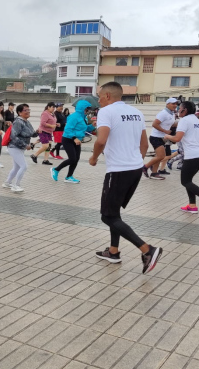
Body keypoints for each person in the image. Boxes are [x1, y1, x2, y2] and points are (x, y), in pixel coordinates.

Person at [88, 82, 162, 273]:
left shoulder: (105, 112)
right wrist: (136, 161)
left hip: (118, 170)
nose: (98, 99)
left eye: (99, 96)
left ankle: (147, 250)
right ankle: (113, 252)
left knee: (106, 216)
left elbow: (101, 140)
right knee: (114, 213)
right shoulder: (136, 112)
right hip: (135, 168)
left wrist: (94, 158)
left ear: (107, 96)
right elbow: (144, 143)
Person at [164, 101, 199, 215]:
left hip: (192, 155)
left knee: (185, 181)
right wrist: (197, 144)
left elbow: (177, 138)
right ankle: (192, 206)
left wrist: (167, 136)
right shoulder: (197, 121)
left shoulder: (184, 120)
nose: (178, 110)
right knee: (188, 180)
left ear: (185, 110)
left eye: (180, 109)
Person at [52, 100, 89, 184]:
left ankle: (69, 177)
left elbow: (83, 129)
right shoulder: (74, 116)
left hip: (77, 140)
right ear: (82, 108)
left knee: (76, 159)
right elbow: (68, 129)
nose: (88, 111)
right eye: (87, 109)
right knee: (72, 159)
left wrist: (91, 126)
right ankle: (56, 169)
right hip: (68, 139)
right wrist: (74, 138)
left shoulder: (83, 117)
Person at [143, 98, 178, 180]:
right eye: (173, 104)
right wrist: (165, 131)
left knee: (159, 156)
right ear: (167, 104)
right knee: (161, 156)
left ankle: (154, 173)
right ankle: (145, 167)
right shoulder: (163, 113)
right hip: (155, 137)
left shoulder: (171, 114)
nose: (175, 105)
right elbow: (154, 124)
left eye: (176, 104)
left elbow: (172, 124)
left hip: (162, 138)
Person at [4, 104, 34, 193]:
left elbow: (31, 133)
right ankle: (16, 185)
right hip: (14, 147)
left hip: (19, 148)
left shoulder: (26, 121)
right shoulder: (18, 122)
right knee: (24, 166)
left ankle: (7, 183)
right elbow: (13, 136)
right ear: (19, 113)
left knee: (17, 167)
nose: (28, 111)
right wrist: (25, 145)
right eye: (25, 110)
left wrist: (38, 132)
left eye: (29, 109)